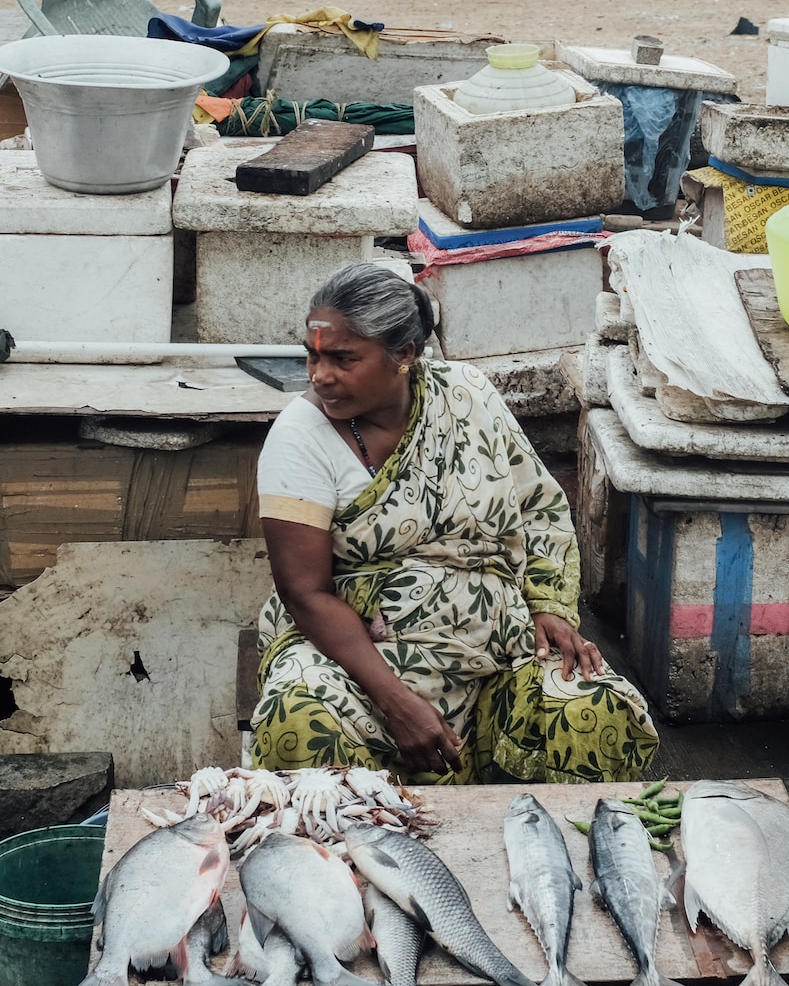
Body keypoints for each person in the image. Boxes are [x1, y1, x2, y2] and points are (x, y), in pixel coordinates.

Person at [251, 264, 659, 784]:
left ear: (403, 355)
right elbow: (304, 592)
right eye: (312, 355)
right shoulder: (299, 438)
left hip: (500, 646)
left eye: (342, 359)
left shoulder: (464, 394)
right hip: (369, 658)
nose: (319, 375)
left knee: (592, 712)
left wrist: (549, 608)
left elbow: (537, 507)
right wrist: (397, 702)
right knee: (302, 719)